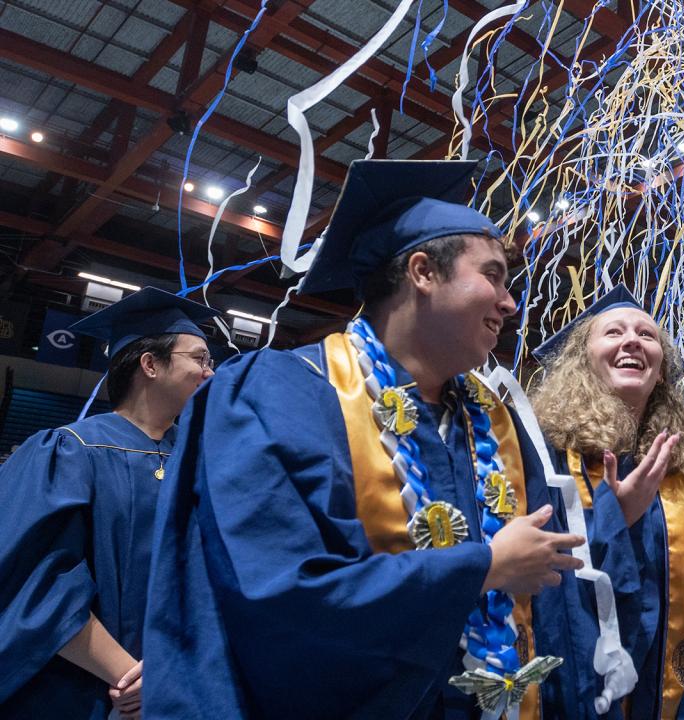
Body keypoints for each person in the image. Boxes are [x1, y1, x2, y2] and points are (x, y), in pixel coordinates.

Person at [142, 160, 586, 719]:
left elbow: (548, 596)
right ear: (423, 272)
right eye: (493, 275)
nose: (509, 302)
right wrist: (482, 567)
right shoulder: (277, 395)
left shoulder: (494, 422)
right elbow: (277, 594)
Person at [0, 287, 218, 718]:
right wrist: (129, 676)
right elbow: (36, 581)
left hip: (178, 686)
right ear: (150, 364)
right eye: (199, 358)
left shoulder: (202, 461)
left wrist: (174, 671)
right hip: (77, 690)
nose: (210, 372)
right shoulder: (68, 451)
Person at [529, 285, 684, 718]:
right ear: (582, 361)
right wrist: (614, 521)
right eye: (613, 332)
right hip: (577, 683)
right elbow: (538, 583)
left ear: (662, 371)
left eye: (646, 335)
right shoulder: (545, 456)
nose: (632, 340)